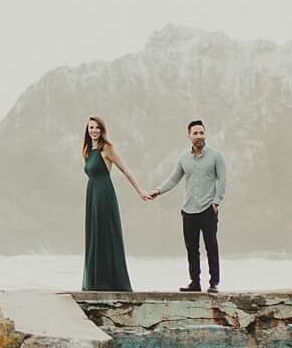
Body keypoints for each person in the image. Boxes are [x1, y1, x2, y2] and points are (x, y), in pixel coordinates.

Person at [147, 118, 228, 293]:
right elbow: (174, 178)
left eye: (201, 132)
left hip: (208, 209)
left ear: (205, 134)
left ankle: (214, 283)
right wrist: (158, 190)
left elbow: (222, 179)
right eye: (195, 133)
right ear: (189, 136)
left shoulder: (216, 155)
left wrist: (217, 201)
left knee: (211, 246)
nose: (199, 136)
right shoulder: (183, 158)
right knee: (192, 249)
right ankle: (195, 282)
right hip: (188, 210)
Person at [80, 115, 143, 290]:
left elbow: (126, 170)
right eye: (91, 127)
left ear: (102, 130)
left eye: (97, 127)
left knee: (104, 235)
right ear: (87, 130)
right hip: (91, 193)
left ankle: (107, 282)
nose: (94, 131)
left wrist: (140, 191)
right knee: (94, 235)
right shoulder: (87, 150)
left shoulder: (107, 148)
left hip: (103, 194)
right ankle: (95, 280)